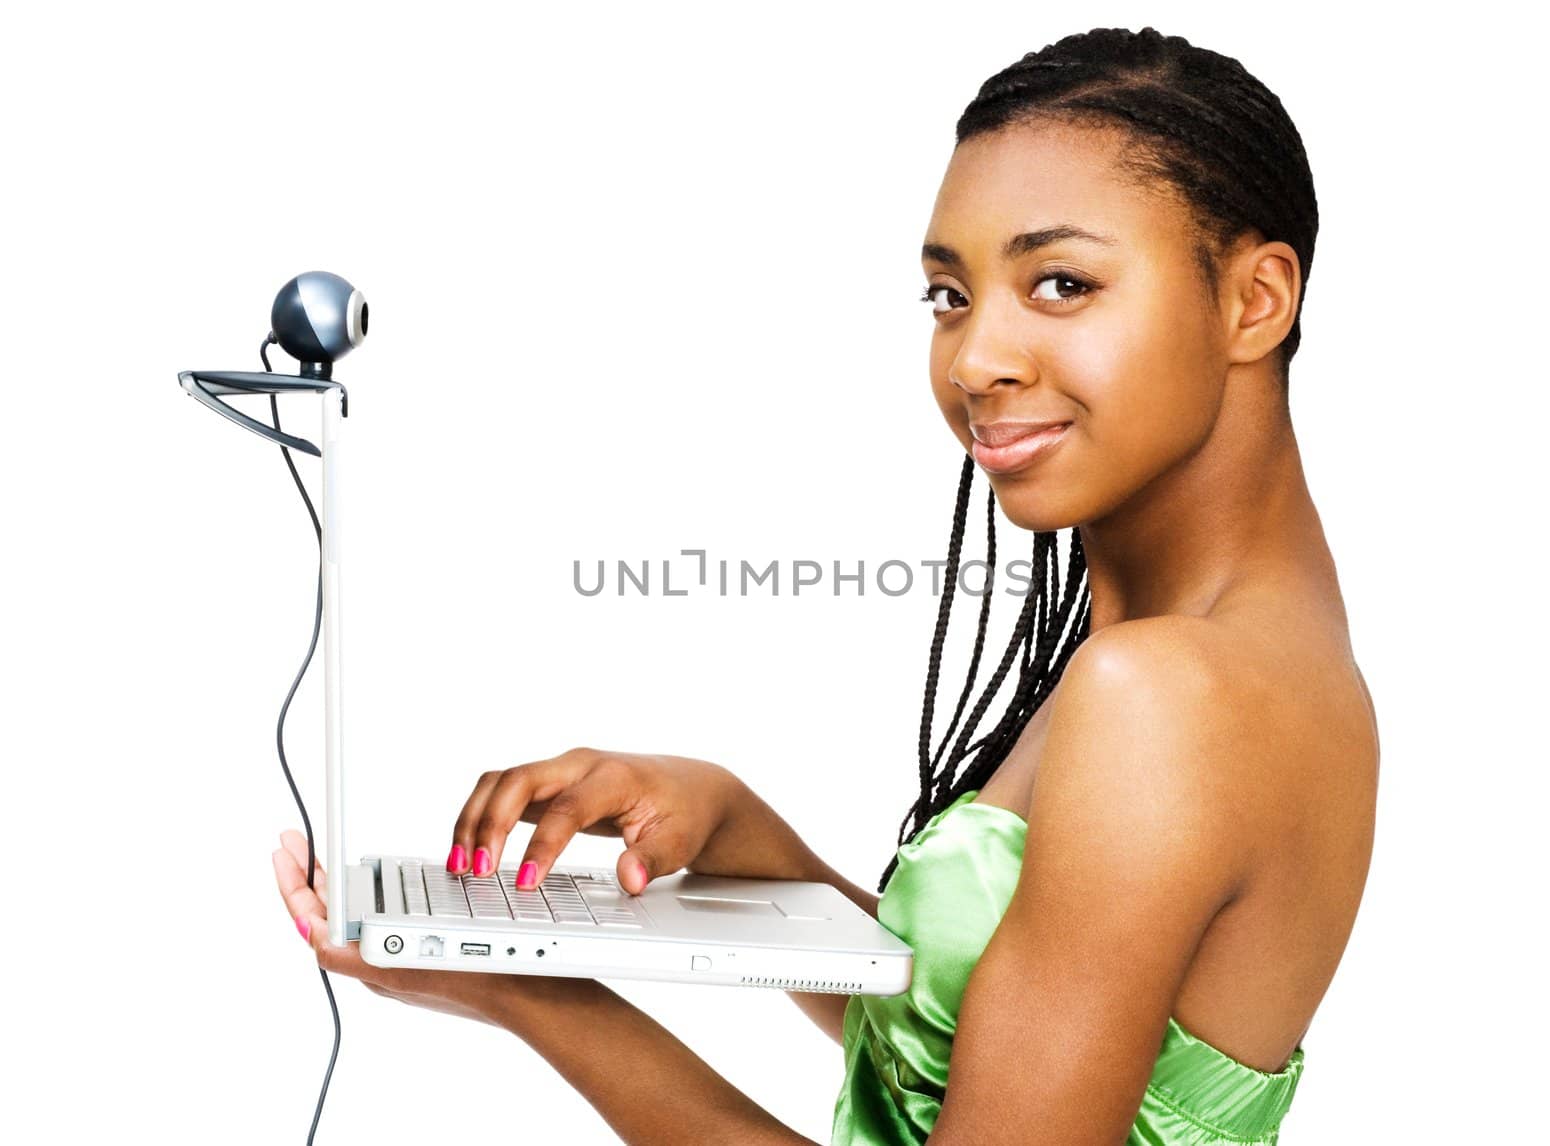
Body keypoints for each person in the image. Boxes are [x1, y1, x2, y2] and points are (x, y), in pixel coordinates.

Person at [273, 25, 1378, 1145]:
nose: (974, 359)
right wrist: (741, 833)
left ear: (1254, 301)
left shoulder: (1171, 694)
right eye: (948, 295)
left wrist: (528, 991)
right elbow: (964, 1048)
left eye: (1060, 282)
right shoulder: (1201, 641)